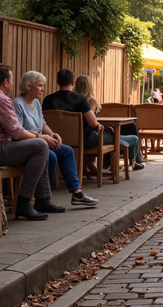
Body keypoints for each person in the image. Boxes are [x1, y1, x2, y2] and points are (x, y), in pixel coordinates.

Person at [0, 64, 57, 221]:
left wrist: (39, 136)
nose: (13, 83)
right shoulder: (1, 99)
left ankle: (41, 200)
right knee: (41, 146)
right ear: (5, 83)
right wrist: (43, 138)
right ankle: (24, 202)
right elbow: (17, 132)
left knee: (41, 147)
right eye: (12, 80)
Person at [12, 71, 98, 207]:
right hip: (29, 144)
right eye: (40, 86)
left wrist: (52, 134)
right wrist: (43, 137)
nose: (43, 89)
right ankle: (44, 198)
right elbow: (18, 131)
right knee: (51, 155)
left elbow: (42, 123)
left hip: (42, 141)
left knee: (67, 151)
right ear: (29, 86)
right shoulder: (17, 104)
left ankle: (77, 194)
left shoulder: (38, 103)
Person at [43, 69, 144, 174]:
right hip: (84, 140)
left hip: (56, 141)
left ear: (57, 82)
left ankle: (98, 166)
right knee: (129, 138)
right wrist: (103, 128)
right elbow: (93, 124)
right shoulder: (80, 99)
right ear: (73, 82)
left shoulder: (47, 100)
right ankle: (121, 157)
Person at [74, 75, 143, 170]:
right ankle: (129, 161)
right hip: (90, 136)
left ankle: (110, 163)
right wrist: (105, 127)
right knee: (122, 135)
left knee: (126, 128)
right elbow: (93, 123)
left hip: (74, 137)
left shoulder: (72, 101)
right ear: (90, 86)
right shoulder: (90, 101)